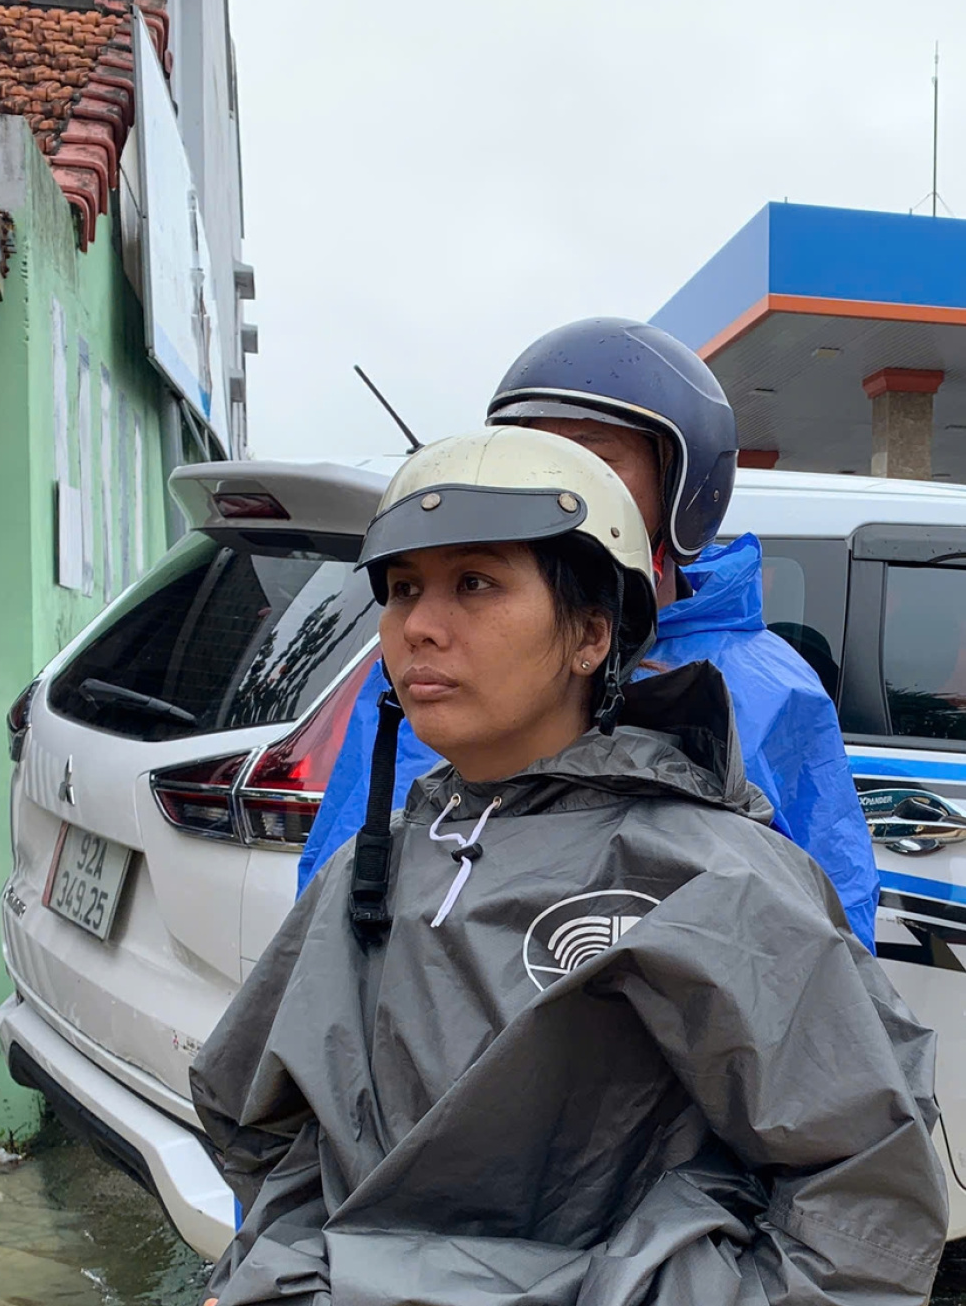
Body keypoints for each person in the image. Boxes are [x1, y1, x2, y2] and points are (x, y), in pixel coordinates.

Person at [185, 427, 947, 1306]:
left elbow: (866, 1195)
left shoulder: (710, 871)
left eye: (476, 584)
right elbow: (280, 1128)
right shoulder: (385, 861)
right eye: (401, 588)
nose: (421, 626)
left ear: (593, 631)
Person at [298, 317, 880, 950]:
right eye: (532, 457)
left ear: (684, 486)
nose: (556, 485)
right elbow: (341, 892)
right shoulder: (435, 669)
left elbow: (830, 923)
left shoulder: (764, 686)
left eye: (594, 458)